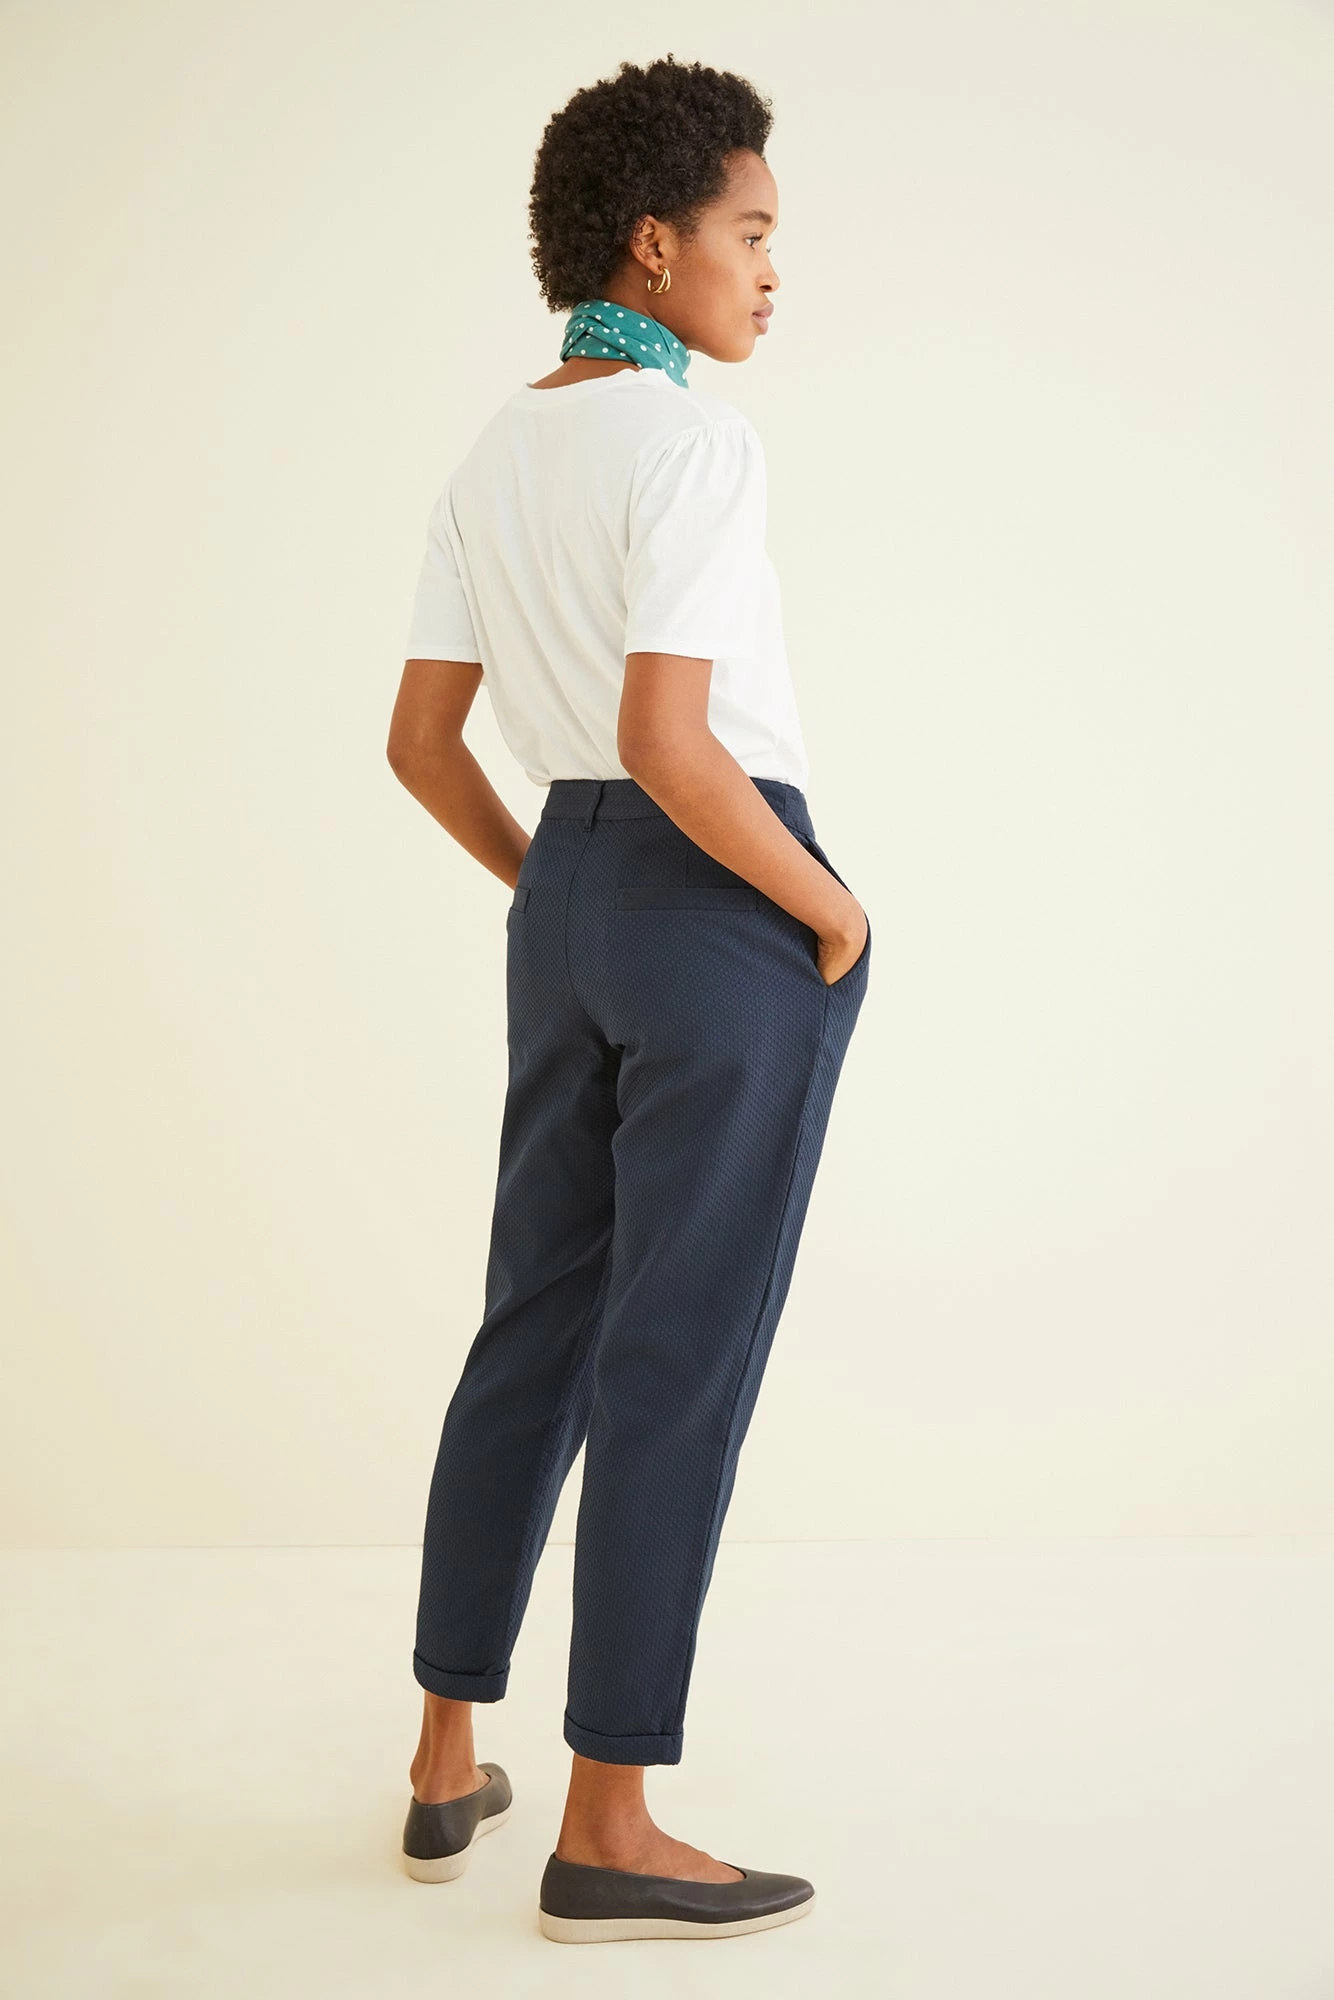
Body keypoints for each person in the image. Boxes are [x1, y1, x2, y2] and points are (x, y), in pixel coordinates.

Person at [386, 54, 870, 1945]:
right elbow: (676, 739)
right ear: (653, 244)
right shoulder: (689, 442)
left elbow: (422, 744)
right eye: (752, 232)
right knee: (679, 1352)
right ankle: (610, 1822)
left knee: (536, 1321)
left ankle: (446, 1758)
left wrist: (554, 893)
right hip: (715, 887)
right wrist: (828, 908)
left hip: (572, 894)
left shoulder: (492, 452)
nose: (772, 270)